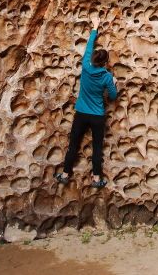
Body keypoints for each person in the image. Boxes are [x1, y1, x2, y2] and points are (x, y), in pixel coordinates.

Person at [55, 15, 117, 188]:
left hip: (81, 112)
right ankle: (96, 179)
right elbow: (113, 97)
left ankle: (66, 174)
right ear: (105, 62)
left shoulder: (86, 66)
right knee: (97, 148)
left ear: (93, 58)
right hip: (97, 115)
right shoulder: (107, 77)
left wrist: (95, 27)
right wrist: (113, 84)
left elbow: (89, 46)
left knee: (73, 144)